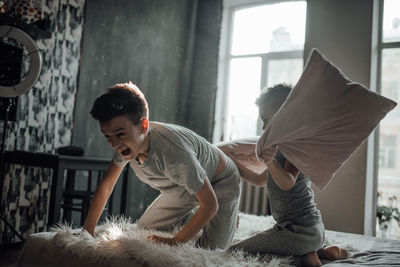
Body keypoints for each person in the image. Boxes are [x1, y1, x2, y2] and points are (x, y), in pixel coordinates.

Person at [82, 81, 241, 249]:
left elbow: (211, 204)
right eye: (107, 136)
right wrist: (87, 230)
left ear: (143, 126)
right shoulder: (125, 145)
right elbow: (106, 186)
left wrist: (175, 241)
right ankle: (192, 211)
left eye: (120, 134)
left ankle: (228, 212)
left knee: (212, 250)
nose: (114, 144)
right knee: (144, 229)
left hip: (220, 180)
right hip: (181, 187)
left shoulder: (174, 152)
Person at [228, 84, 349, 266]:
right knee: (271, 241)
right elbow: (261, 180)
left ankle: (306, 256)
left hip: (302, 231)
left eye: (266, 120)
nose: (264, 127)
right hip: (303, 229)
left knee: (234, 250)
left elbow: (288, 183)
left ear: (286, 115)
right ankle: (322, 251)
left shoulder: (297, 145)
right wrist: (235, 165)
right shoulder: (280, 146)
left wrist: (269, 161)